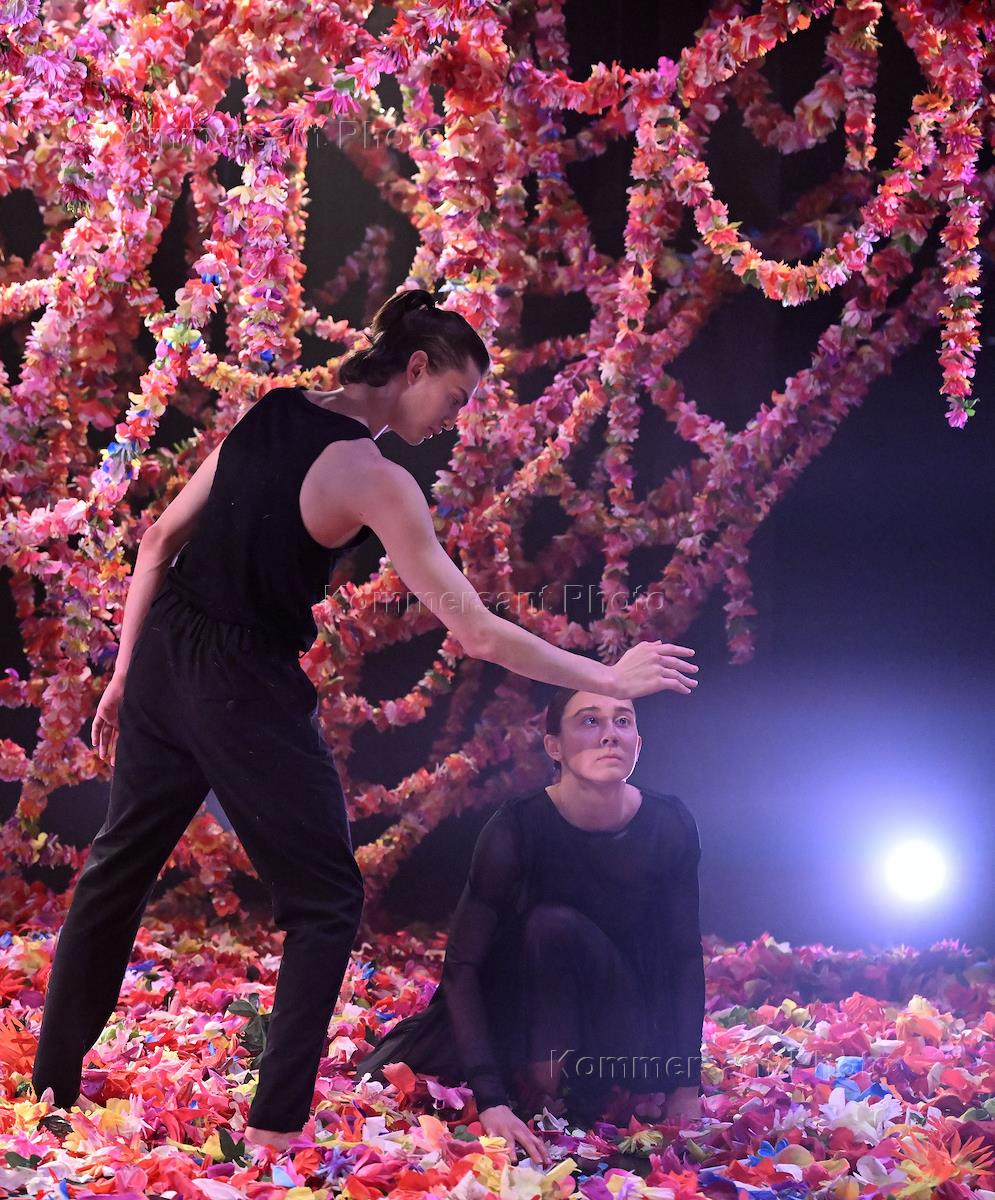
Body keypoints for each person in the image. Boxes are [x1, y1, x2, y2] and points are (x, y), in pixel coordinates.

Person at [29, 288, 699, 1153]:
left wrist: (126, 673)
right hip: (243, 682)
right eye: (454, 397)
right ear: (414, 368)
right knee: (327, 900)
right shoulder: (376, 478)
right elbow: (474, 630)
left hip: (163, 652)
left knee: (115, 872)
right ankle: (273, 1131)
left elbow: (159, 540)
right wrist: (604, 674)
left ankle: (50, 1089)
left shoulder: (271, 410)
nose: (454, 420)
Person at [354, 686, 706, 1165]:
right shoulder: (515, 827)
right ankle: (543, 1088)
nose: (610, 735)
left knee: (555, 926)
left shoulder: (669, 824)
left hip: (621, 1021)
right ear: (553, 746)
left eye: (623, 721)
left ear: (639, 744)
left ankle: (571, 1092)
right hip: (524, 1013)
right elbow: (463, 963)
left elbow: (684, 958)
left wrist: (685, 1083)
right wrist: (491, 1098)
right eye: (590, 721)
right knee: (544, 929)